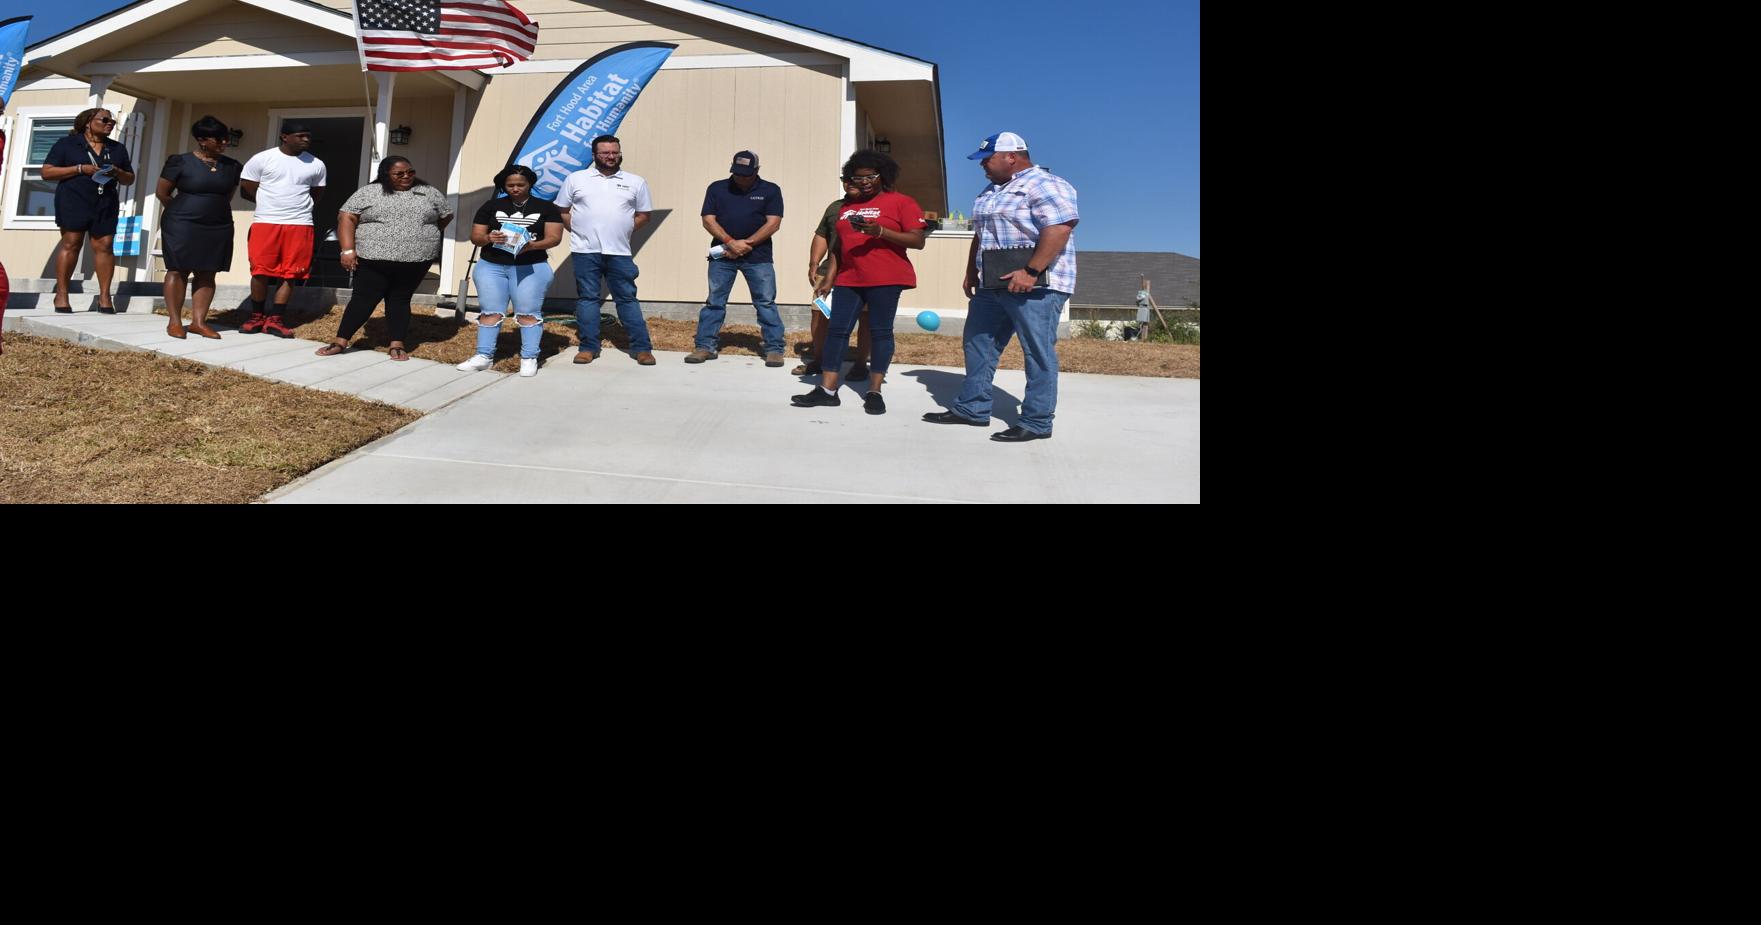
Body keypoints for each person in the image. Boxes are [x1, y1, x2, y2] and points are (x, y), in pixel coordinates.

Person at [923, 132, 1079, 443]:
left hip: (1037, 284)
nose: (982, 166)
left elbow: (1060, 228)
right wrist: (971, 270)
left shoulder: (1046, 184)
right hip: (992, 281)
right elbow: (981, 234)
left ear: (1012, 156)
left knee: (1037, 351)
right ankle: (972, 408)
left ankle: (1036, 422)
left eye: (987, 159)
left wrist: (1032, 271)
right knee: (978, 342)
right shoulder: (991, 190)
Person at [790, 150, 926, 415]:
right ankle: (827, 390)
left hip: (886, 278)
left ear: (882, 176)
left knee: (880, 331)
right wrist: (828, 278)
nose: (864, 182)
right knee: (837, 331)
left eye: (870, 177)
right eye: (858, 177)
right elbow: (839, 248)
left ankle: (874, 390)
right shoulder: (845, 207)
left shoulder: (901, 202)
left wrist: (882, 232)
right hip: (848, 279)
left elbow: (918, 240)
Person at [313, 156, 452, 361]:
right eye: (400, 174)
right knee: (363, 299)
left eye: (410, 172)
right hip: (373, 260)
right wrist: (347, 250)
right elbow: (346, 218)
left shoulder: (429, 192)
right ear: (386, 174)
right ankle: (341, 340)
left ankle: (397, 343)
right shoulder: (369, 192)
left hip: (416, 260)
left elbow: (445, 216)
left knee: (400, 299)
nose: (407, 177)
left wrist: (421, 235)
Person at [454, 165, 566, 378]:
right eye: (510, 185)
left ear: (530, 184)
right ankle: (483, 356)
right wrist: (488, 238)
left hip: (530, 266)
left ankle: (529, 357)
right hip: (492, 265)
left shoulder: (545, 207)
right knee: (490, 312)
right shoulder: (491, 205)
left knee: (528, 312)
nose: (515, 188)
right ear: (503, 186)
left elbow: (554, 238)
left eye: (520, 185)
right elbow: (476, 236)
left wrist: (532, 246)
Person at [555, 135, 656, 366]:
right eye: (605, 153)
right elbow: (562, 210)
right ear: (594, 155)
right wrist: (578, 231)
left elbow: (644, 215)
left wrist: (625, 231)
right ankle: (589, 347)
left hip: (619, 253)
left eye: (615, 152)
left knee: (627, 299)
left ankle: (641, 348)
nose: (611, 157)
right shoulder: (576, 179)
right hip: (584, 251)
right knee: (588, 299)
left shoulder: (635, 181)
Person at [688, 150, 786, 366]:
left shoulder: (770, 190)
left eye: (746, 174)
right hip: (722, 255)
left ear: (756, 171)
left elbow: (773, 223)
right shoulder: (717, 188)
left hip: (758, 257)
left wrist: (746, 244)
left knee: (765, 302)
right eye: (737, 173)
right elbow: (708, 220)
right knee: (715, 301)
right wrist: (730, 242)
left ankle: (774, 348)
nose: (741, 178)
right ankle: (705, 346)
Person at [155, 115, 241, 339]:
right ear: (202, 140)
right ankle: (174, 322)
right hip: (181, 223)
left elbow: (227, 195)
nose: (224, 143)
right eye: (219, 140)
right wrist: (182, 213)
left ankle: (198, 322)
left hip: (217, 224)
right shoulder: (179, 161)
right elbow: (162, 193)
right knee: (178, 269)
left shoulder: (232, 167)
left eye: (226, 139)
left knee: (208, 271)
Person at [42, 107, 135, 314]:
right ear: (87, 122)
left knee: (105, 246)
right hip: (73, 199)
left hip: (105, 201)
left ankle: (104, 297)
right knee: (72, 243)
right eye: (104, 119)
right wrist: (79, 169)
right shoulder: (67, 144)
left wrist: (118, 171)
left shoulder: (116, 148)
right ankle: (62, 294)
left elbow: (130, 178)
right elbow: (46, 172)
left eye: (112, 121)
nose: (110, 123)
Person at [238, 121, 326, 338]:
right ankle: (256, 316)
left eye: (308, 136)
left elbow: (316, 194)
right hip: (266, 222)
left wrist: (296, 209)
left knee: (290, 273)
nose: (306, 139)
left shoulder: (316, 164)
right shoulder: (262, 158)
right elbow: (247, 190)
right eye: (301, 135)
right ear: (285, 136)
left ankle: (275, 320)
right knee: (260, 271)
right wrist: (270, 205)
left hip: (300, 224)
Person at [800, 173, 873, 378]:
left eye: (854, 178)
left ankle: (860, 365)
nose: (848, 183)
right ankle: (819, 360)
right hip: (829, 272)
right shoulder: (835, 207)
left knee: (865, 319)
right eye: (845, 179)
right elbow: (822, 234)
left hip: (864, 274)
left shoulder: (876, 207)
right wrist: (814, 263)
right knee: (819, 313)